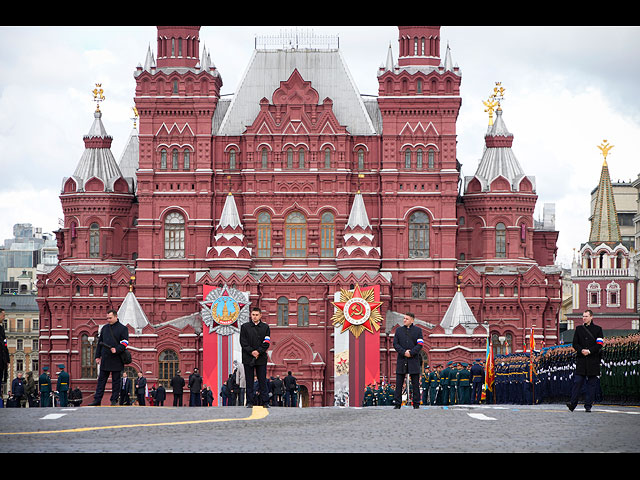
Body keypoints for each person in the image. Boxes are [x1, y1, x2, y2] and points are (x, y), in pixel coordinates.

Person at [89, 309, 129, 406]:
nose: (108, 320)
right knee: (101, 381)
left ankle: (114, 400)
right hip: (106, 358)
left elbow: (125, 343)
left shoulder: (123, 329)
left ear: (116, 317)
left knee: (116, 382)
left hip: (117, 358)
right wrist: (97, 356)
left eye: (110, 318)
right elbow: (99, 343)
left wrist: (117, 349)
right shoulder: (105, 328)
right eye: (107, 318)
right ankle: (97, 400)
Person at [567, 309, 604, 412]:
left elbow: (599, 344)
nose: (584, 318)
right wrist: (581, 350)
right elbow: (575, 343)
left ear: (591, 317)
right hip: (581, 361)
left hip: (593, 361)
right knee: (577, 382)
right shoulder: (579, 329)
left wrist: (590, 351)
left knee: (591, 385)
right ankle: (572, 403)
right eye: (583, 316)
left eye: (586, 316)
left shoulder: (598, 329)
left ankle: (588, 405)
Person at [240, 306, 271, 408]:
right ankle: (249, 402)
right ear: (250, 315)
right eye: (253, 315)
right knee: (249, 380)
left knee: (262, 380)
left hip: (261, 358)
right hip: (248, 358)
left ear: (260, 315)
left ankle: (265, 402)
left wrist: (258, 351)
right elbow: (243, 342)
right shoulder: (245, 327)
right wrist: (252, 351)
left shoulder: (265, 327)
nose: (255, 317)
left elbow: (267, 342)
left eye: (257, 315)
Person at [392, 312, 424, 409]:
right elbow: (395, 344)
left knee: (415, 383)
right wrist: (404, 352)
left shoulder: (418, 331)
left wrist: (411, 353)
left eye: (406, 319)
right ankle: (397, 403)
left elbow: (420, 344)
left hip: (413, 359)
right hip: (402, 359)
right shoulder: (398, 331)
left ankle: (416, 403)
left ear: (412, 320)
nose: (404, 320)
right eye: (404, 318)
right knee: (399, 383)